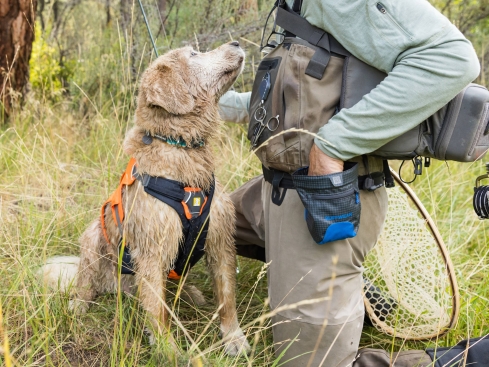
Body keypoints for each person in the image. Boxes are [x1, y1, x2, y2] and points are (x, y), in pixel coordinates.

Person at [219, 0, 480, 366]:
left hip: (323, 199)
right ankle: (360, 298)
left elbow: (451, 59)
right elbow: (300, 99)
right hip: (277, 191)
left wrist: (333, 145)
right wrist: (207, 102)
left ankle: (471, 359)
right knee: (210, 222)